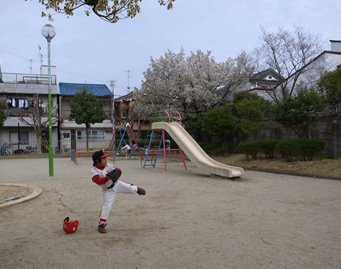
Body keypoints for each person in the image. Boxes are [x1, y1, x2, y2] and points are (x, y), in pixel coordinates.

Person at [91, 150, 146, 233]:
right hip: (108, 190)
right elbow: (98, 181)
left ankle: (136, 189)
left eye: (106, 158)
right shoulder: (94, 171)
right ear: (97, 161)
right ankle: (102, 224)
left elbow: (118, 169)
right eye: (103, 159)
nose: (106, 160)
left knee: (131, 189)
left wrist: (118, 171)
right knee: (107, 206)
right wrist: (108, 178)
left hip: (117, 184)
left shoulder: (108, 165)